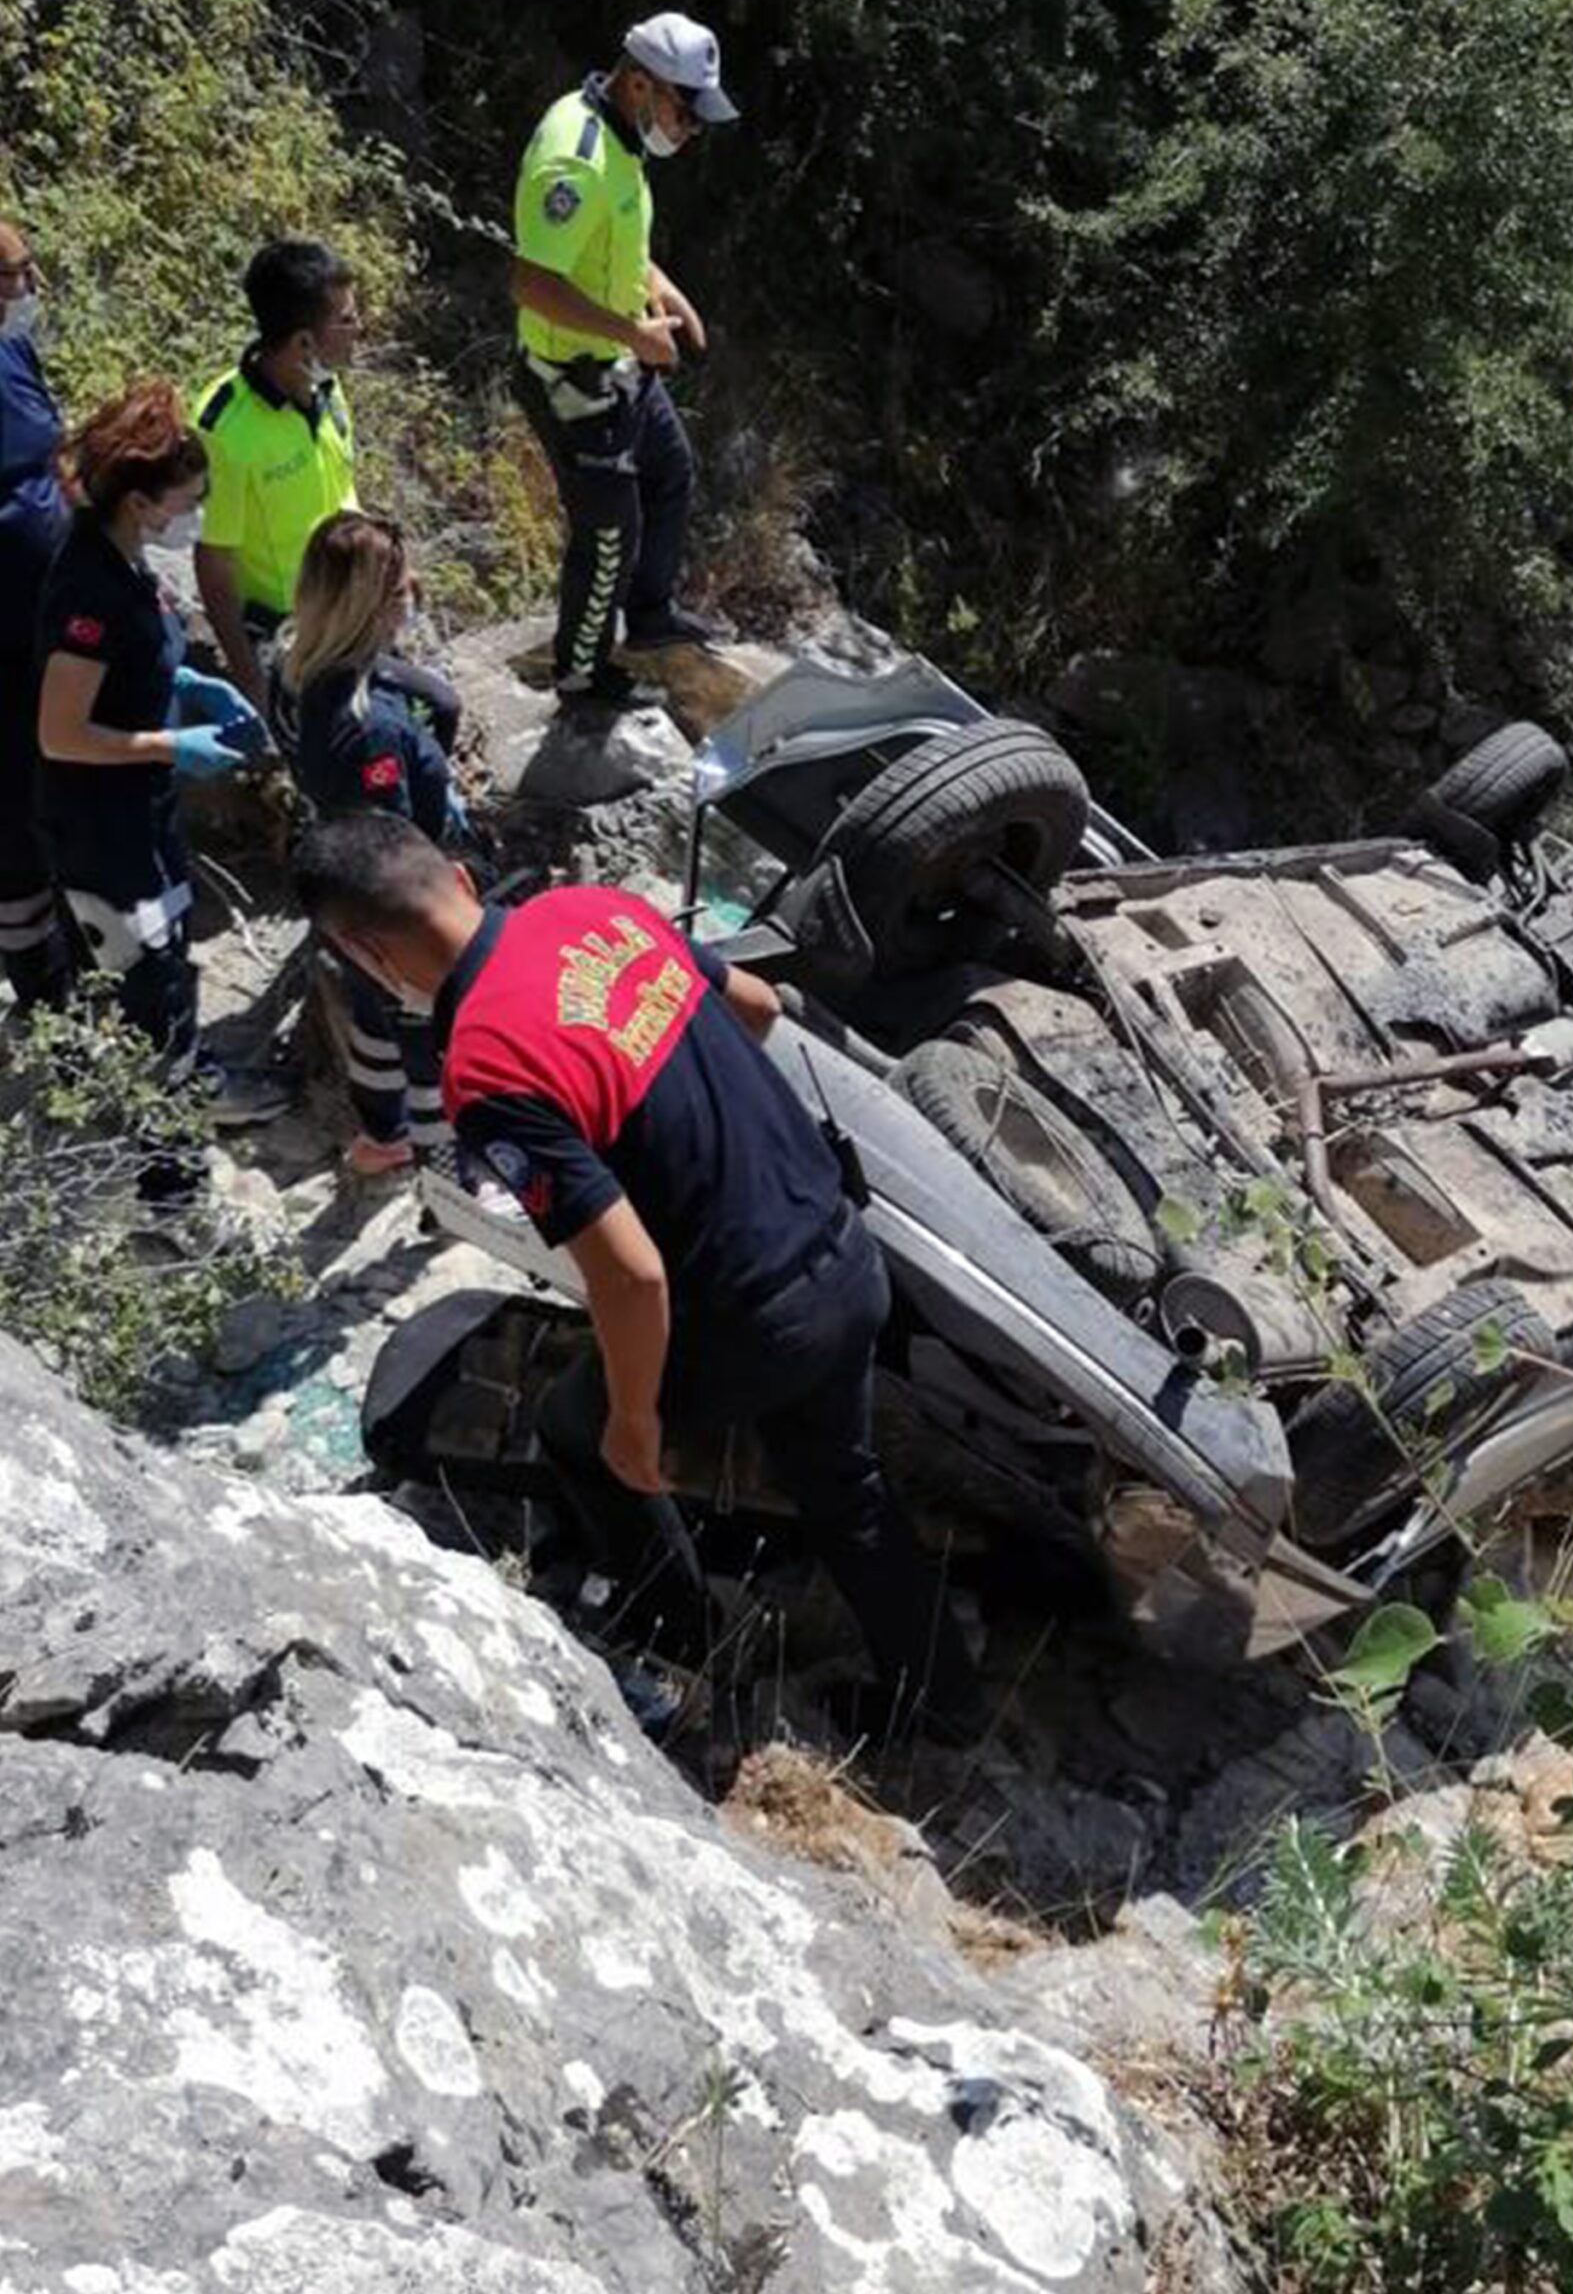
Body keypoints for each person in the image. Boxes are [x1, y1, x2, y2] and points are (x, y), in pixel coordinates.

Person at [290, 813, 985, 1737]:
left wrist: (633, 1420)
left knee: (578, 1430)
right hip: (847, 1253)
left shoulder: (486, 1067)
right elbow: (760, 1009)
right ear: (458, 875)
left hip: (755, 1316)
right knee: (844, 1490)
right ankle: (946, 1704)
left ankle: (681, 1639)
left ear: (367, 954)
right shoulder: (594, 911)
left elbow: (632, 1276)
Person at [38, 382, 278, 1116]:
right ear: (140, 502)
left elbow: (129, 658)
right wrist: (174, 743)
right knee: (148, 979)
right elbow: (60, 731)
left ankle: (181, 1071)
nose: (196, 515)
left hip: (141, 808)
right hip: (100, 826)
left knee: (164, 960)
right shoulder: (89, 588)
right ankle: (172, 1189)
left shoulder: (125, 558)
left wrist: (182, 680)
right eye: (190, 499)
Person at [509, 12, 731, 712]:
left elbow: (613, 243)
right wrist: (633, 335)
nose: (691, 130)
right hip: (574, 379)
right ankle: (582, 677)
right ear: (640, 84)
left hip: (618, 365)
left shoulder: (620, 136)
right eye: (685, 111)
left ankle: (651, 612)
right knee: (607, 534)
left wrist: (661, 288)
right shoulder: (575, 158)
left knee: (671, 473)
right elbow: (533, 283)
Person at [277, 510, 471, 1175]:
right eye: (399, 589)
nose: (413, 592)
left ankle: (383, 1133)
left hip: (341, 896)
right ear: (371, 606)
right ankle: (447, 1181)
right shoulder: (369, 730)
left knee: (368, 1018)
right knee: (422, 1036)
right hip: (390, 907)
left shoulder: (299, 668)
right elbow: (392, 849)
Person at [191, 239, 365, 714]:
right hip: (286, 633)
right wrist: (251, 684)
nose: (360, 328)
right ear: (303, 341)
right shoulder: (225, 432)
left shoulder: (324, 385)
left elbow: (342, 486)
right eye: (346, 319)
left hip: (347, 604)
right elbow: (214, 564)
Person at [0, 220, 72, 1008]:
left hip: (48, 615)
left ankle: (78, 971)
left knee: (56, 794)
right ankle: (44, 1001)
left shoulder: (14, 352)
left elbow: (50, 457)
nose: (29, 288)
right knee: (12, 816)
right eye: (18, 276)